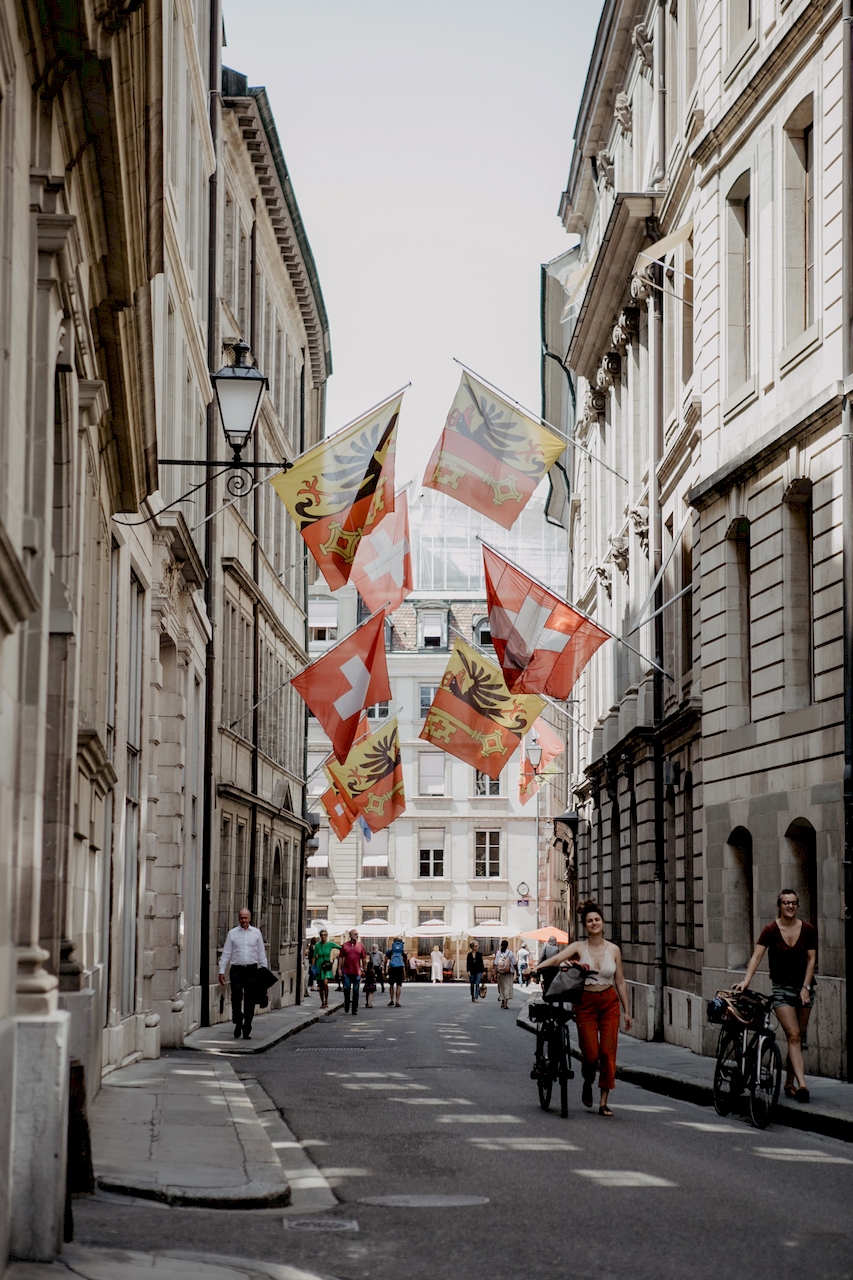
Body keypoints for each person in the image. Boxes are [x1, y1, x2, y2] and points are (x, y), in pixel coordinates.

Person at [532, 901, 632, 1116]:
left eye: (597, 919)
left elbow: (620, 981)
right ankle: (588, 1081)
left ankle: (603, 1101)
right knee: (591, 1055)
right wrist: (536, 968)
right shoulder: (579, 947)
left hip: (609, 1002)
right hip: (585, 1002)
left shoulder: (614, 950)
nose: (594, 923)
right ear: (585, 926)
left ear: (603, 923)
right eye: (589, 921)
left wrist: (627, 1011)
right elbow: (558, 958)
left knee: (608, 1053)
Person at [733, 888, 817, 1103]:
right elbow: (756, 957)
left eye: (794, 903)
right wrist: (746, 980)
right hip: (781, 989)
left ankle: (789, 1083)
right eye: (786, 903)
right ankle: (803, 1085)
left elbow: (811, 960)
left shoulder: (807, 930)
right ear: (779, 905)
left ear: (797, 906)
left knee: (796, 1038)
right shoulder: (770, 930)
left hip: (804, 990)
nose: (790, 906)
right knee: (794, 1034)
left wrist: (806, 987)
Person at [218, 908, 268, 1041]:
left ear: (250, 919)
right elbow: (226, 953)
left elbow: (261, 954)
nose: (243, 920)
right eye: (241, 918)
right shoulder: (232, 934)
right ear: (238, 919)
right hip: (236, 969)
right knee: (236, 997)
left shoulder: (256, 933)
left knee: (250, 1000)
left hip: (252, 969)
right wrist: (221, 971)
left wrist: (264, 971)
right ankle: (238, 1021)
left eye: (245, 918)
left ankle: (247, 1027)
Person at [339, 929, 368, 1015]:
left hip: (357, 971)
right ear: (350, 935)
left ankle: (354, 1008)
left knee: (356, 990)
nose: (357, 935)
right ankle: (347, 1004)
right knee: (346, 988)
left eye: (357, 934)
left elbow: (363, 958)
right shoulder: (344, 946)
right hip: (347, 971)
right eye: (355, 934)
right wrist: (339, 969)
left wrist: (364, 969)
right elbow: (340, 957)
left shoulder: (360, 946)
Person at [312, 929, 339, 1010]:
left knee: (325, 983)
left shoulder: (330, 944)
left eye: (324, 935)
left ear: (327, 936)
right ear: (320, 936)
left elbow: (340, 947)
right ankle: (322, 1002)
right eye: (322, 935)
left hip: (326, 966)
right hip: (319, 965)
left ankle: (326, 1001)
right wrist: (313, 967)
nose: (323, 936)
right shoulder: (317, 945)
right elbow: (314, 956)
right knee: (320, 985)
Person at [493, 939, 517, 1008]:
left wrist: (495, 972)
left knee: (502, 987)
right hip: (509, 972)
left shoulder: (498, 953)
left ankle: (502, 1001)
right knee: (508, 987)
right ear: (507, 946)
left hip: (500, 972)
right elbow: (514, 963)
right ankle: (506, 1002)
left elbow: (495, 963)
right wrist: (516, 971)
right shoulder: (510, 953)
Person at [386, 937, 407, 1006]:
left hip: (392, 967)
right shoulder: (402, 950)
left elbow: (386, 958)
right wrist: (405, 969)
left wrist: (386, 968)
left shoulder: (391, 950)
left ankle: (391, 1000)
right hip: (400, 967)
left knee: (391, 985)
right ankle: (397, 1002)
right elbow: (405, 960)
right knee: (399, 985)